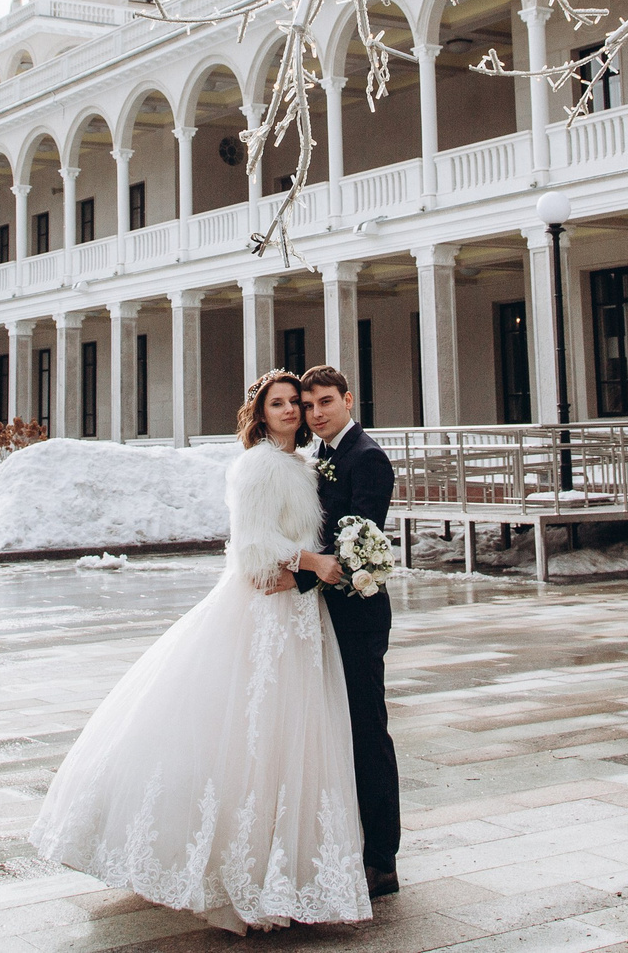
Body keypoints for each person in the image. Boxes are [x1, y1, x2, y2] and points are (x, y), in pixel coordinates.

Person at [27, 371, 370, 934]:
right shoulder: (257, 467)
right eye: (278, 403)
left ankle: (281, 866)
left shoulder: (303, 465)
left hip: (299, 616)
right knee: (248, 733)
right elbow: (253, 544)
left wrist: (310, 570)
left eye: (297, 403)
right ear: (259, 414)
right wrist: (312, 565)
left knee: (289, 737)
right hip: (264, 616)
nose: (291, 411)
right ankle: (236, 870)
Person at [284, 364, 401, 899]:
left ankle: (382, 859)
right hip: (324, 611)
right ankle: (348, 846)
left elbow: (360, 540)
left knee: (367, 732)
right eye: (309, 406)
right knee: (336, 733)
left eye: (325, 402)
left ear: (348, 400)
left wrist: (300, 564)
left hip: (357, 615)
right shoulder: (322, 456)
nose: (316, 413)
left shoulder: (367, 457)